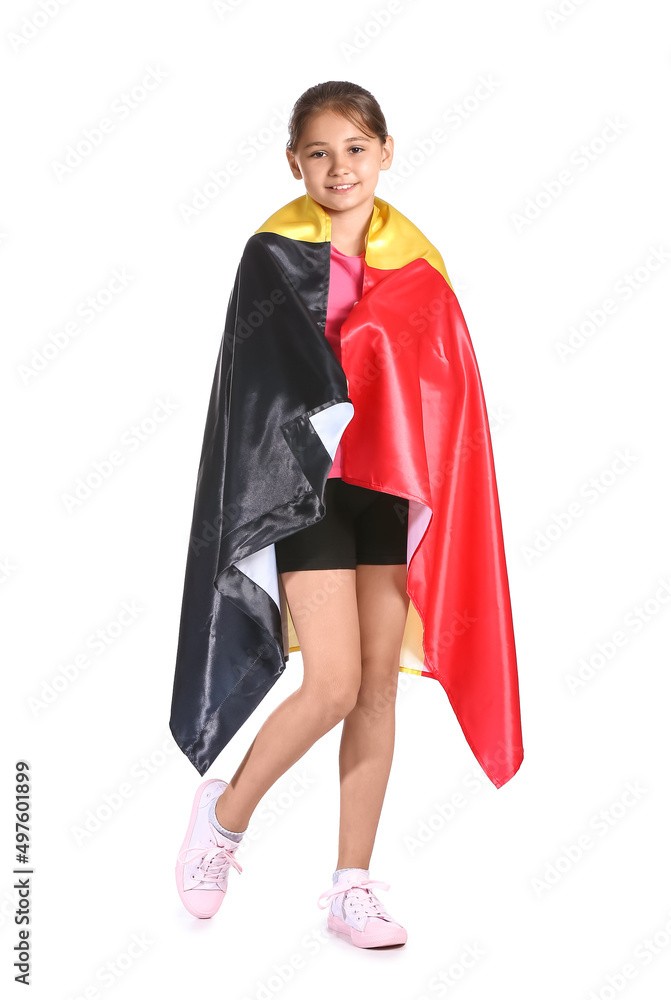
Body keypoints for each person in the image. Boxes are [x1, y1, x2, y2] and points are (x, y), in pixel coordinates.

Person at [172, 80, 522, 949]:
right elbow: (258, 390)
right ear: (294, 161)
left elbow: (444, 383)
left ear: (386, 152)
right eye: (319, 152)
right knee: (327, 682)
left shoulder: (419, 258)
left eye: (355, 149)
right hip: (307, 485)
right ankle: (224, 814)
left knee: (373, 686)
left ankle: (351, 886)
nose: (339, 168)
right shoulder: (271, 254)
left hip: (386, 488)